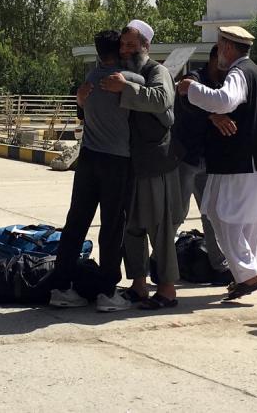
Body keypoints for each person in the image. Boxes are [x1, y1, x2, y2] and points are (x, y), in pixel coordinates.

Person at [176, 26, 257, 301]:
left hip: (239, 160)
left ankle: (247, 273)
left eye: (221, 46)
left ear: (229, 48)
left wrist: (191, 89)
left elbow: (225, 101)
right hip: (256, 161)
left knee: (220, 213)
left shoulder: (239, 73)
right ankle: (245, 273)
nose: (219, 52)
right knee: (247, 220)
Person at [50, 30, 143, 309]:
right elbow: (154, 86)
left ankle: (61, 287)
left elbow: (84, 107)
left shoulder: (88, 81)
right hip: (116, 162)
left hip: (88, 160)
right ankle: (107, 292)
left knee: (76, 222)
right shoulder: (126, 79)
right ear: (120, 49)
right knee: (113, 227)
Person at [100, 19, 184, 310]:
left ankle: (167, 291)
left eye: (131, 45)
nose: (125, 50)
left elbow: (161, 100)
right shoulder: (122, 72)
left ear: (145, 46)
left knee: (158, 229)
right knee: (132, 229)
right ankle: (138, 287)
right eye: (123, 45)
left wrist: (126, 89)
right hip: (130, 164)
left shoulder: (156, 71)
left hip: (155, 163)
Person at [172, 46, 233, 284]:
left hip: (208, 161)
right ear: (213, 61)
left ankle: (219, 266)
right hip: (186, 159)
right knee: (176, 215)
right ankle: (159, 264)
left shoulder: (225, 83)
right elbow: (185, 96)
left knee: (212, 214)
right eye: (223, 64)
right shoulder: (195, 78)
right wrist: (211, 115)